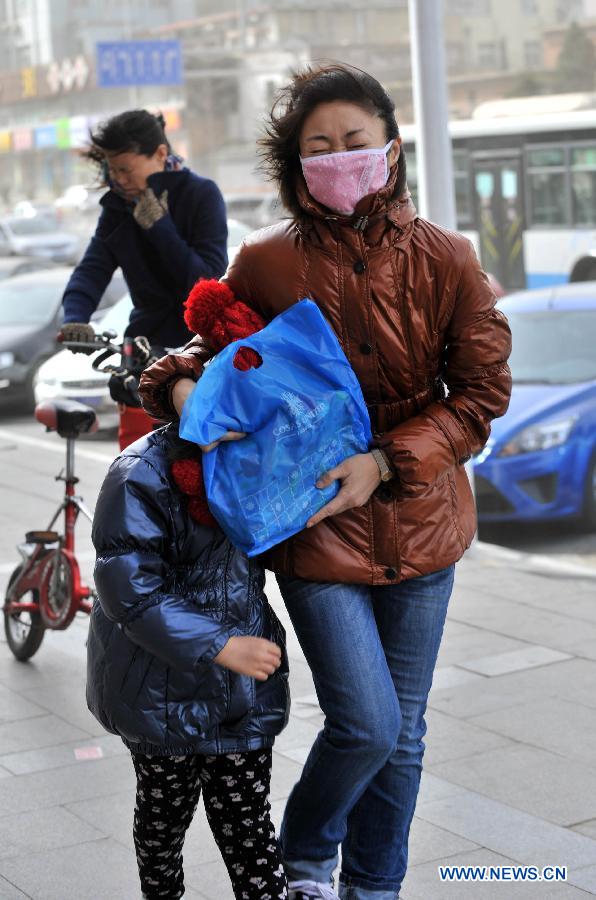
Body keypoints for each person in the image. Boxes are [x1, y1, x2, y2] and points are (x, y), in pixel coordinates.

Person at [139, 64, 512, 900]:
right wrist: (181, 386)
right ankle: (305, 858)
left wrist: (386, 461)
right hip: (313, 529)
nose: (341, 158)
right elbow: (202, 350)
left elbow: (483, 396)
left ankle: (373, 887)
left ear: (390, 148)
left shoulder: (449, 259)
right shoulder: (267, 261)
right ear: (296, 163)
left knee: (403, 733)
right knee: (368, 722)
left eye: (355, 142)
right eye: (320, 147)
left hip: (423, 525)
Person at [87, 419, 290, 900]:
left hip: (239, 695)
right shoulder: (140, 473)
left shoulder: (260, 459)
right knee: (162, 825)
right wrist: (219, 644)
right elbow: (127, 590)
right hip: (158, 691)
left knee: (249, 831)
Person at [59, 109, 228, 449]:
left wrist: (158, 225)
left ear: (160, 155)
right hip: (142, 350)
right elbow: (92, 270)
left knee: (198, 467)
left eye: (125, 169)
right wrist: (75, 318)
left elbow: (204, 279)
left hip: (199, 350)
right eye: (111, 168)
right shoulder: (117, 209)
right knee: (139, 466)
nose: (117, 178)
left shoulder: (201, 195)